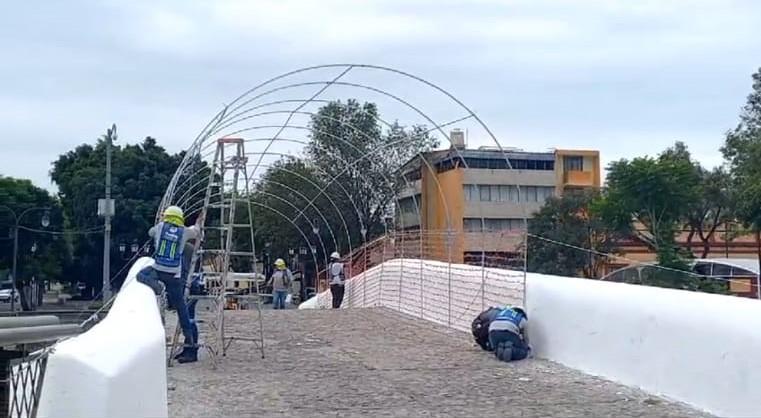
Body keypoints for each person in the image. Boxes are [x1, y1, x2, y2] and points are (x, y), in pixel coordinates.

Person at [136, 205, 201, 364]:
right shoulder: (186, 239)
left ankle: (191, 351)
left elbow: (151, 232)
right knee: (185, 315)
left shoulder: (163, 230)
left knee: (188, 317)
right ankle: (189, 346)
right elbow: (196, 231)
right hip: (179, 279)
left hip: (186, 284)